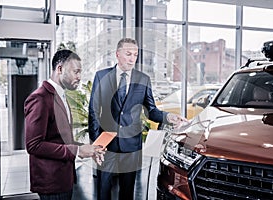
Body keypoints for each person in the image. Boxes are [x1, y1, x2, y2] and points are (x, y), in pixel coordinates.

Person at [88, 38, 188, 200]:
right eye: (128, 54)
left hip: (132, 146)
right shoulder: (101, 76)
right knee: (103, 189)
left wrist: (169, 117)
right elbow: (93, 110)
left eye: (135, 54)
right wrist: (96, 143)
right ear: (117, 54)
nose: (132, 58)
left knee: (128, 191)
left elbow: (152, 111)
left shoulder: (143, 79)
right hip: (106, 144)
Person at [24, 49, 105, 200]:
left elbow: (60, 139)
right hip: (51, 183)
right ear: (60, 69)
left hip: (63, 179)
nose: (79, 77)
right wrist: (77, 150)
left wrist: (88, 150)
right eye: (76, 71)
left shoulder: (61, 96)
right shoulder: (40, 98)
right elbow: (33, 145)